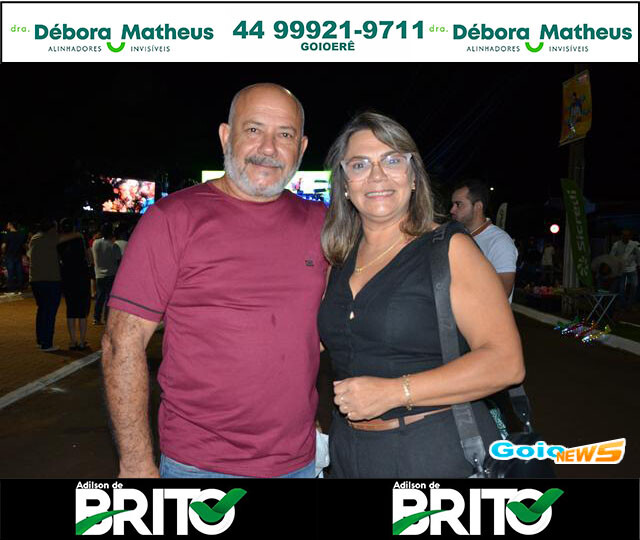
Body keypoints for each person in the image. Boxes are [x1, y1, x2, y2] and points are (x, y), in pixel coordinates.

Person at [101, 83, 327, 478]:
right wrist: (135, 463)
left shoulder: (322, 224)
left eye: (285, 134)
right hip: (199, 466)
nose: (269, 148)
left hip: (298, 462)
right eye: (253, 129)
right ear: (226, 136)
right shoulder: (173, 219)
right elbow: (122, 343)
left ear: (302, 147)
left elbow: (324, 331)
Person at [318, 112, 524, 478]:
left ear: (413, 176)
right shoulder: (340, 259)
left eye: (392, 160)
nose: (377, 175)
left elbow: (506, 363)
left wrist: (396, 392)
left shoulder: (449, 248)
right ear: (345, 182)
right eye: (360, 164)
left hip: (433, 452)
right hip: (348, 453)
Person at [450, 179, 519, 300]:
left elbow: (502, 293)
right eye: (453, 205)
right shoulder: (458, 236)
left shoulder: (499, 242)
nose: (452, 210)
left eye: (458, 204)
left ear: (478, 207)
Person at [28, 219, 81, 352]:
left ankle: (40, 340)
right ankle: (47, 343)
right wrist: (78, 234)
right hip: (50, 280)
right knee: (50, 313)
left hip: (35, 280)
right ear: (51, 228)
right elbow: (67, 237)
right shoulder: (50, 238)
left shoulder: (35, 238)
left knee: (42, 310)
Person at [57, 218, 91, 350]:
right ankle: (82, 341)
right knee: (82, 310)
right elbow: (89, 256)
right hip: (82, 275)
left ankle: (73, 341)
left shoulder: (59, 241)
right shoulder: (80, 238)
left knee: (70, 309)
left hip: (67, 276)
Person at [91, 222, 121, 325]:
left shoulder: (95, 243)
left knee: (100, 297)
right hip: (111, 274)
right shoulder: (114, 246)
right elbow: (118, 260)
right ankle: (106, 318)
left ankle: (96, 318)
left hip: (99, 274)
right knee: (109, 298)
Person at [610, 229, 640, 311]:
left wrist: (638, 265)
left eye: (627, 235)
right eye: (624, 235)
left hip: (632, 268)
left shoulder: (634, 244)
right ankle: (623, 305)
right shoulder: (616, 245)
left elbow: (638, 255)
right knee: (621, 288)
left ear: (630, 236)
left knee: (635, 285)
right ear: (621, 236)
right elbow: (611, 257)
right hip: (621, 269)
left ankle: (629, 304)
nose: (625, 237)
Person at [2, 221, 27, 293]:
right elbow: (24, 246)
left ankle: (11, 288)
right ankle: (20, 287)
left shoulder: (8, 234)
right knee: (19, 272)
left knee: (10, 273)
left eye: (8, 224)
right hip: (18, 255)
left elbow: (3, 246)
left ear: (11, 225)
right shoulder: (21, 234)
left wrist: (3, 253)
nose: (7, 226)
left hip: (9, 256)